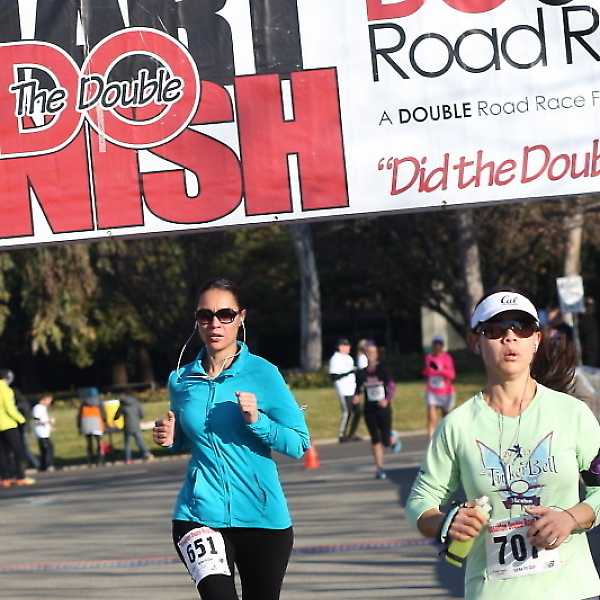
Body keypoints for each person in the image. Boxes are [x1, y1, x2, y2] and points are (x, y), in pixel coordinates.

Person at [406, 289, 600, 600]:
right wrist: (446, 523)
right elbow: (420, 501)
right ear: (475, 342)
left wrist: (570, 518)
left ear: (536, 340)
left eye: (521, 328)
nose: (510, 337)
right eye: (495, 330)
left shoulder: (572, 414)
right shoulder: (457, 425)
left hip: (574, 590)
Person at [152, 277, 310, 600]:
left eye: (225, 314)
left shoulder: (264, 373)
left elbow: (298, 443)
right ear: (196, 320)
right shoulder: (180, 379)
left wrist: (257, 422)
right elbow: (188, 437)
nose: (215, 324)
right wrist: (171, 437)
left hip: (263, 518)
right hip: (198, 515)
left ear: (241, 318)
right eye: (205, 315)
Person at [354, 342, 401, 479]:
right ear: (365, 354)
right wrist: (356, 397)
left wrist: (386, 399)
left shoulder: (383, 371)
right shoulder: (361, 373)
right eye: (368, 352)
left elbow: (392, 386)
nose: (370, 355)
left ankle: (392, 438)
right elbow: (357, 389)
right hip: (369, 409)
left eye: (373, 352)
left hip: (383, 409)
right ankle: (379, 468)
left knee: (386, 442)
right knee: (375, 439)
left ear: (377, 355)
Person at [0, 369, 35, 486]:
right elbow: (10, 409)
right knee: (18, 451)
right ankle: (20, 476)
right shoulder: (6, 390)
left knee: (2, 453)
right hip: (8, 425)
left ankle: (5, 478)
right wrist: (21, 419)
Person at [422, 334, 456, 437]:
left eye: (439, 344)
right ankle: (431, 441)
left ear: (442, 346)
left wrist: (439, 370)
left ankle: (447, 438)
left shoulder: (446, 358)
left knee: (446, 418)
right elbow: (428, 372)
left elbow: (452, 375)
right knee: (431, 418)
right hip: (432, 391)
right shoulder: (428, 357)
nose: (436, 346)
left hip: (446, 392)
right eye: (435, 344)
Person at [329, 338, 361, 442]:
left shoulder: (349, 358)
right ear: (340, 347)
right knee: (347, 412)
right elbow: (334, 376)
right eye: (346, 346)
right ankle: (342, 434)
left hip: (352, 389)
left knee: (358, 411)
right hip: (343, 390)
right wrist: (349, 372)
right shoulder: (335, 359)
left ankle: (352, 433)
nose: (349, 348)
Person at [114, 393, 153, 464]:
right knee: (139, 441)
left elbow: (117, 415)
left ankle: (128, 459)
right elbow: (142, 414)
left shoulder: (123, 404)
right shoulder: (136, 403)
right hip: (136, 425)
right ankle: (147, 453)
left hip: (127, 426)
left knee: (127, 444)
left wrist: (114, 419)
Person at [77, 387, 106, 466]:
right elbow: (103, 414)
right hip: (97, 424)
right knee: (99, 442)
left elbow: (79, 416)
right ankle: (100, 460)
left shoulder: (84, 403)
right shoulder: (99, 402)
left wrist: (79, 426)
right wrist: (105, 422)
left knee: (89, 443)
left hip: (86, 424)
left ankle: (90, 460)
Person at [32, 392, 55, 472]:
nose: (49, 403)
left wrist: (49, 426)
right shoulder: (38, 408)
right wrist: (48, 422)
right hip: (41, 432)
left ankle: (44, 465)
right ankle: (48, 465)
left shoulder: (43, 407)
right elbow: (36, 419)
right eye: (49, 400)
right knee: (47, 448)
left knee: (47, 448)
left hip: (44, 432)